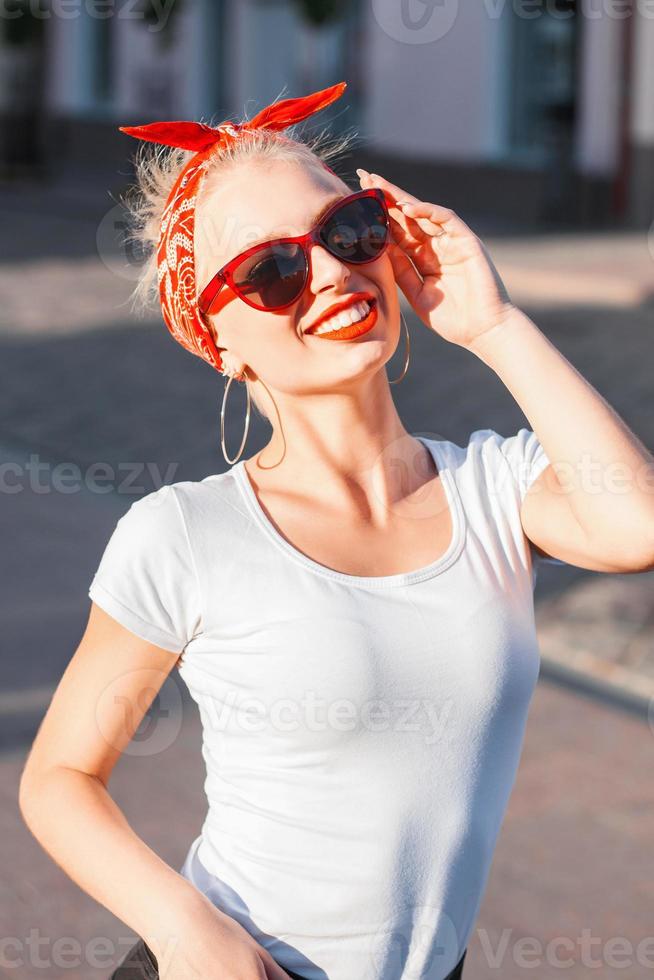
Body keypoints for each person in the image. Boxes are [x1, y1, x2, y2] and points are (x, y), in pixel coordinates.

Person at [18, 81, 654, 980]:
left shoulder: (492, 485)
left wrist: (497, 325)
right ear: (219, 342)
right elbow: (59, 779)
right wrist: (184, 929)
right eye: (270, 271)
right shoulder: (184, 534)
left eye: (348, 231)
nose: (327, 273)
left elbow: (637, 527)